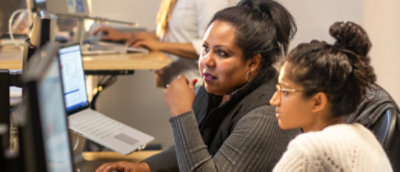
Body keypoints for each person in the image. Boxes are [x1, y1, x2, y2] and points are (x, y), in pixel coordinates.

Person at [96, 0, 299, 171]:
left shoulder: (266, 116)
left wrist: (181, 113)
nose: (206, 61)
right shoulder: (216, 89)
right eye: (205, 48)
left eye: (222, 53)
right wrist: (144, 167)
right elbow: (192, 148)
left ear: (253, 63)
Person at [270, 21, 393, 171]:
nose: (274, 100)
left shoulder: (309, 149)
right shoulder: (366, 137)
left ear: (317, 101)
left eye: (285, 91)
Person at [93, 0, 240, 88]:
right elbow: (170, 33)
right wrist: (125, 36)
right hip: (179, 83)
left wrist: (160, 46)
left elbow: (213, 46)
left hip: (198, 85)